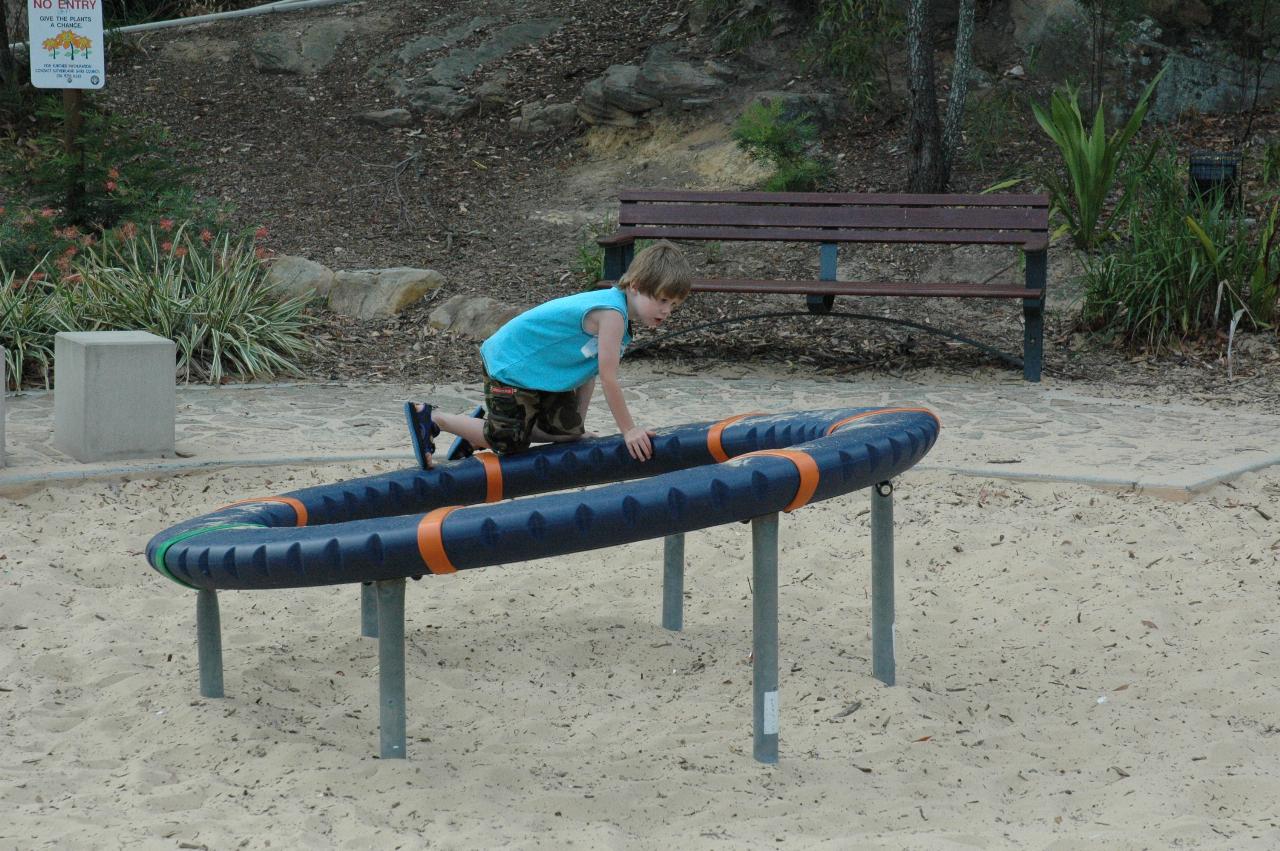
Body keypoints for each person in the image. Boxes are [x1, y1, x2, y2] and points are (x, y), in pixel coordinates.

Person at [405, 239, 692, 468]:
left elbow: (588, 371)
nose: (666, 311)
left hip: (539, 376)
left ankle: (483, 429)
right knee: (510, 445)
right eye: (662, 300)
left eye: (674, 304)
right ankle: (435, 418)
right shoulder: (613, 313)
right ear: (637, 287)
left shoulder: (622, 317)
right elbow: (608, 378)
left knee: (566, 434)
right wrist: (629, 430)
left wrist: (575, 428)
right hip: (510, 366)